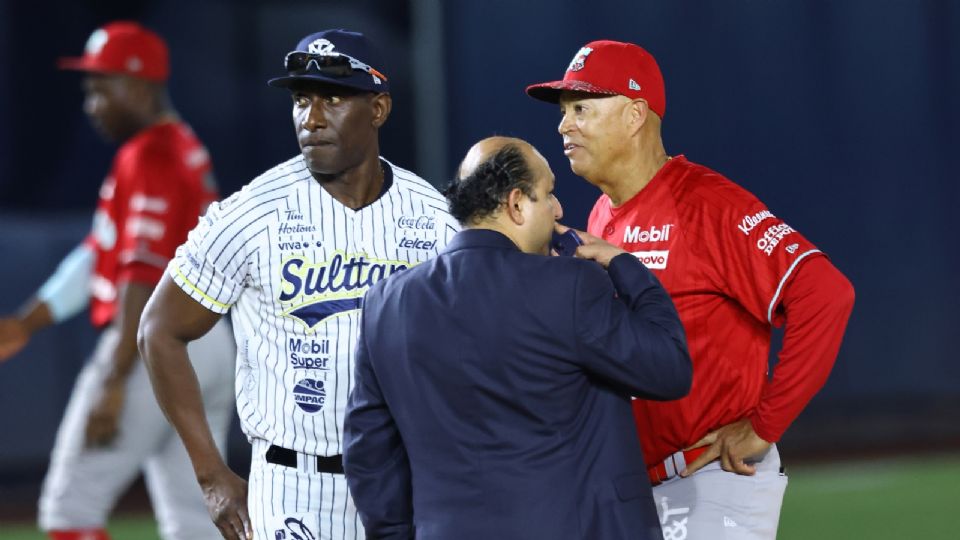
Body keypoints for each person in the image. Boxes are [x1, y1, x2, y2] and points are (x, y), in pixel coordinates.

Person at [137, 28, 460, 540]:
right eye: (301, 100)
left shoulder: (438, 220)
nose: (311, 118)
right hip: (293, 488)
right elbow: (159, 330)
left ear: (377, 109)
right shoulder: (252, 213)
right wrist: (211, 475)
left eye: (332, 99)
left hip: (410, 482)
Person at [526, 40, 856, 539]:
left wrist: (765, 426)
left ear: (635, 115)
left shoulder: (706, 204)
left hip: (709, 483)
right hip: (640, 491)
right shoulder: (601, 215)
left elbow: (826, 294)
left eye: (581, 108)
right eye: (565, 110)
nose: (564, 125)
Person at [342, 136, 693, 539]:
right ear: (516, 204)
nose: (559, 209)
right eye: (548, 193)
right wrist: (623, 264)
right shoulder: (571, 287)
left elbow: (368, 453)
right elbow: (669, 368)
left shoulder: (386, 304)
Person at [0, 21, 235, 540]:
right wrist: (28, 321)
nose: (92, 104)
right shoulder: (183, 145)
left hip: (155, 347)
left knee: (69, 509)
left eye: (101, 87)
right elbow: (100, 255)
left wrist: (114, 378)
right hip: (211, 343)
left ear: (140, 86)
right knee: (195, 518)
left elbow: (141, 273)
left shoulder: (150, 156)